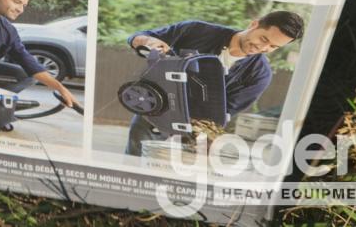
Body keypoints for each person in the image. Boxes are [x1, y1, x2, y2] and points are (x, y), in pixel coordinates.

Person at [124, 10, 305, 155]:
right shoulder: (196, 30)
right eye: (264, 39)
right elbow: (138, 37)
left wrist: (195, 137)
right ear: (254, 24)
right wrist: (149, 41)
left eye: (273, 46)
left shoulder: (260, 75)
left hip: (195, 135)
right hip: (154, 114)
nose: (263, 47)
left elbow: (224, 113)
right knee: (135, 166)